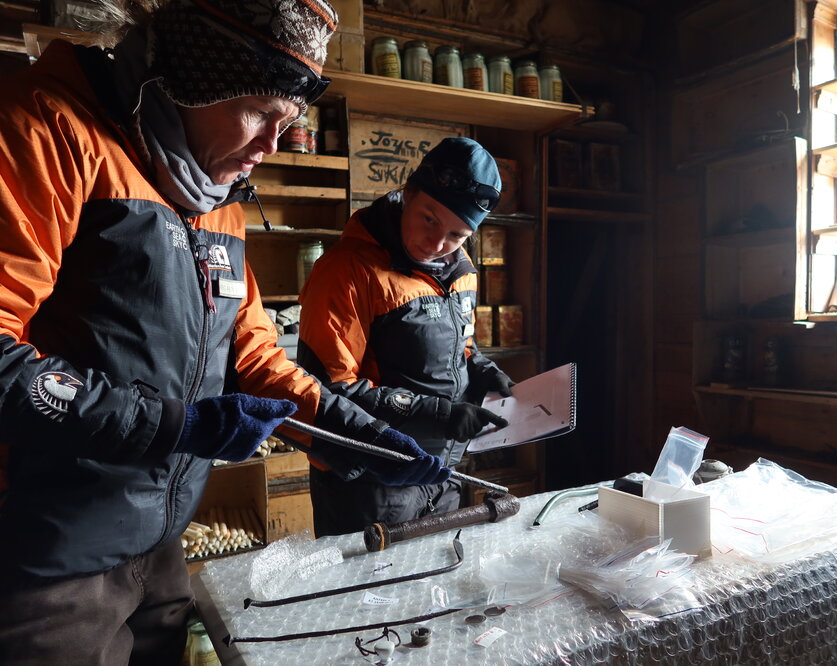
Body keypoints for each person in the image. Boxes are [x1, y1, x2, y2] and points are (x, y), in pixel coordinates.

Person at [0, 1, 447, 663]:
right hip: (50, 554)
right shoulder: (47, 129)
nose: (272, 145)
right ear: (195, 77)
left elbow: (254, 354)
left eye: (287, 122)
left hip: (160, 543)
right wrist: (168, 424)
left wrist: (357, 432)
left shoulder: (214, 196)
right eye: (261, 112)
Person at [298, 137, 517, 536]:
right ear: (408, 193)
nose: (437, 245)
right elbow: (329, 390)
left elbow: (461, 346)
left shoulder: (460, 270)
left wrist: (482, 369)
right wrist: (440, 415)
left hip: (442, 473)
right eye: (429, 219)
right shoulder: (347, 270)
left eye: (457, 235)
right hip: (369, 482)